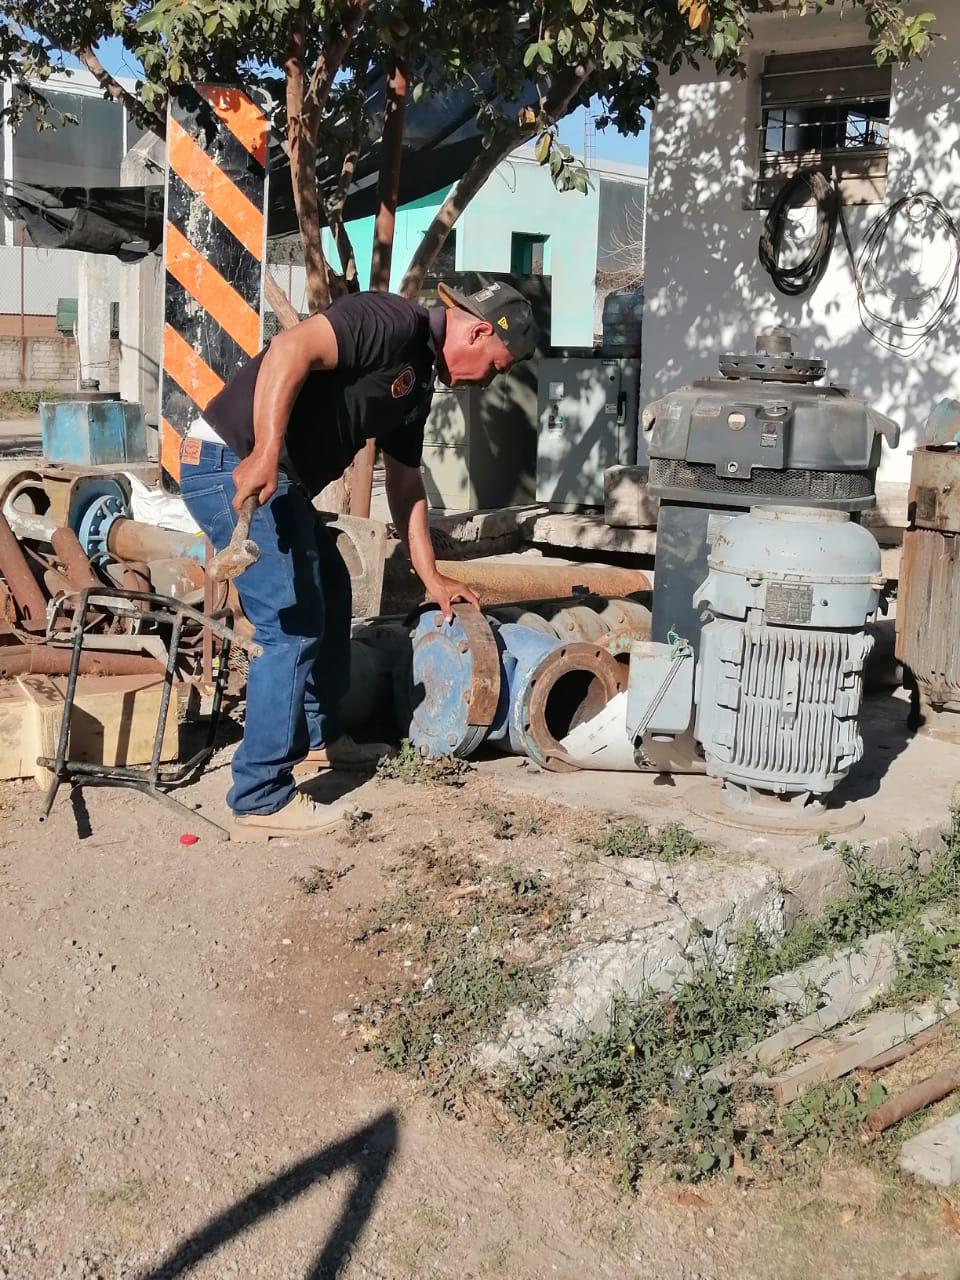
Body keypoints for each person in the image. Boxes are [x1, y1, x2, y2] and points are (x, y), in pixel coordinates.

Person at [179, 280, 538, 841]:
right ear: (478, 330)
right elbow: (291, 349)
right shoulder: (393, 321)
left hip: (283, 482)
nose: (491, 379)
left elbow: (405, 480)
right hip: (228, 459)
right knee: (291, 625)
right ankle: (258, 796)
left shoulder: (418, 386)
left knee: (334, 588)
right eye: (497, 365)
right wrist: (265, 451)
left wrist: (433, 577)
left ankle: (325, 740)